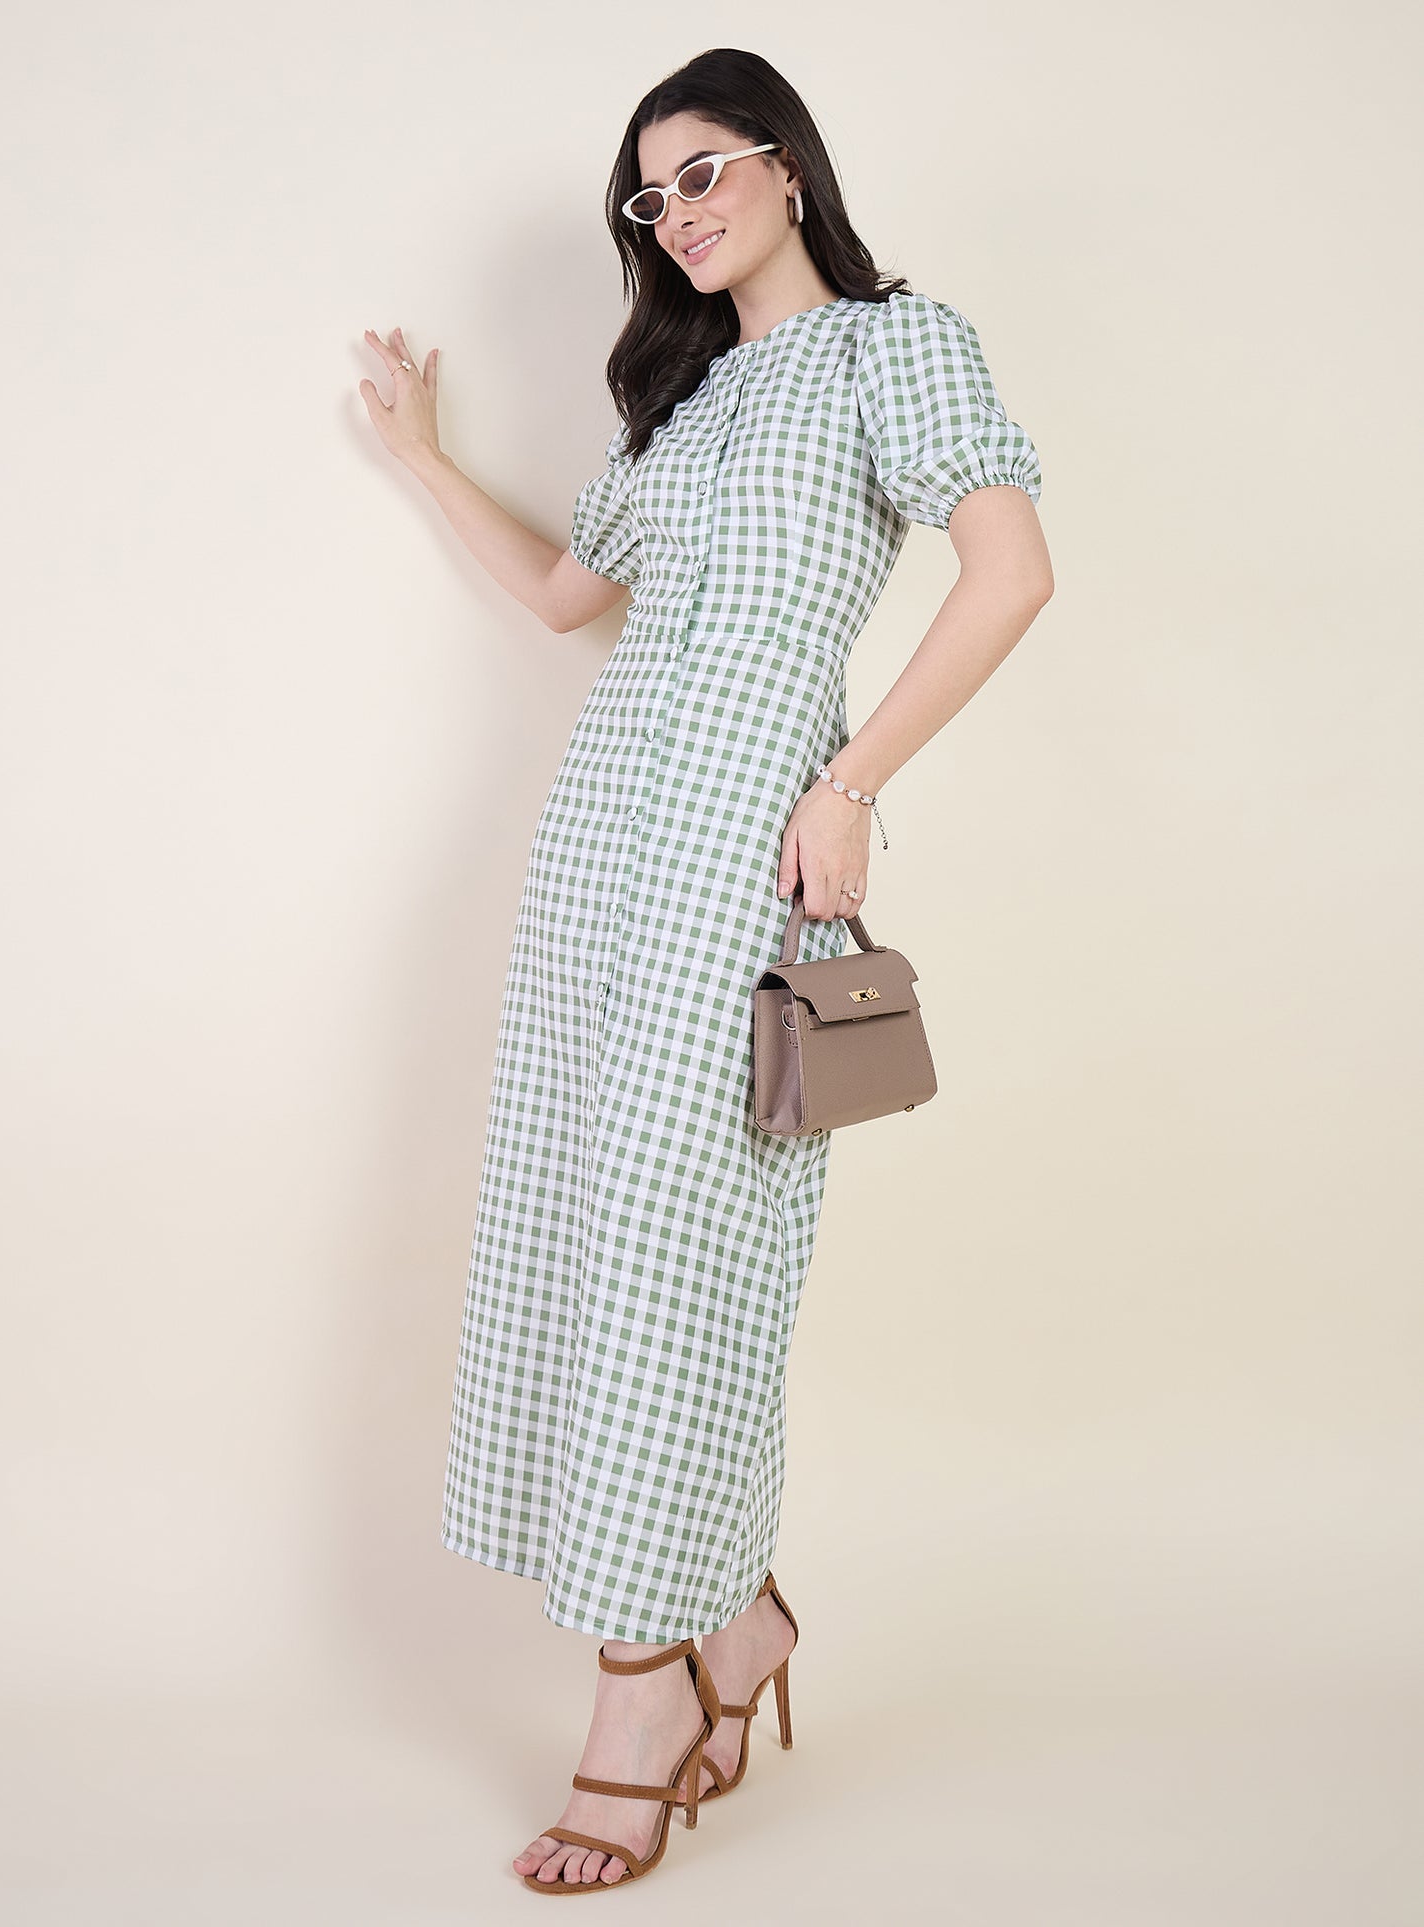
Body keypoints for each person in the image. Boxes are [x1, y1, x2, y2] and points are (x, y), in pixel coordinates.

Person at [359, 45, 1053, 1899]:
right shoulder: (675, 405)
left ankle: (641, 1692)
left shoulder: (892, 348)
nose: (673, 209)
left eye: (701, 170)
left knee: (685, 1241)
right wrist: (425, 463)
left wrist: (850, 783)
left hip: (752, 838)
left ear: (787, 168)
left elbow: (1007, 572)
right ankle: (731, 1620)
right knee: (593, 1230)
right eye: (645, 196)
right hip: (597, 851)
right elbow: (568, 597)